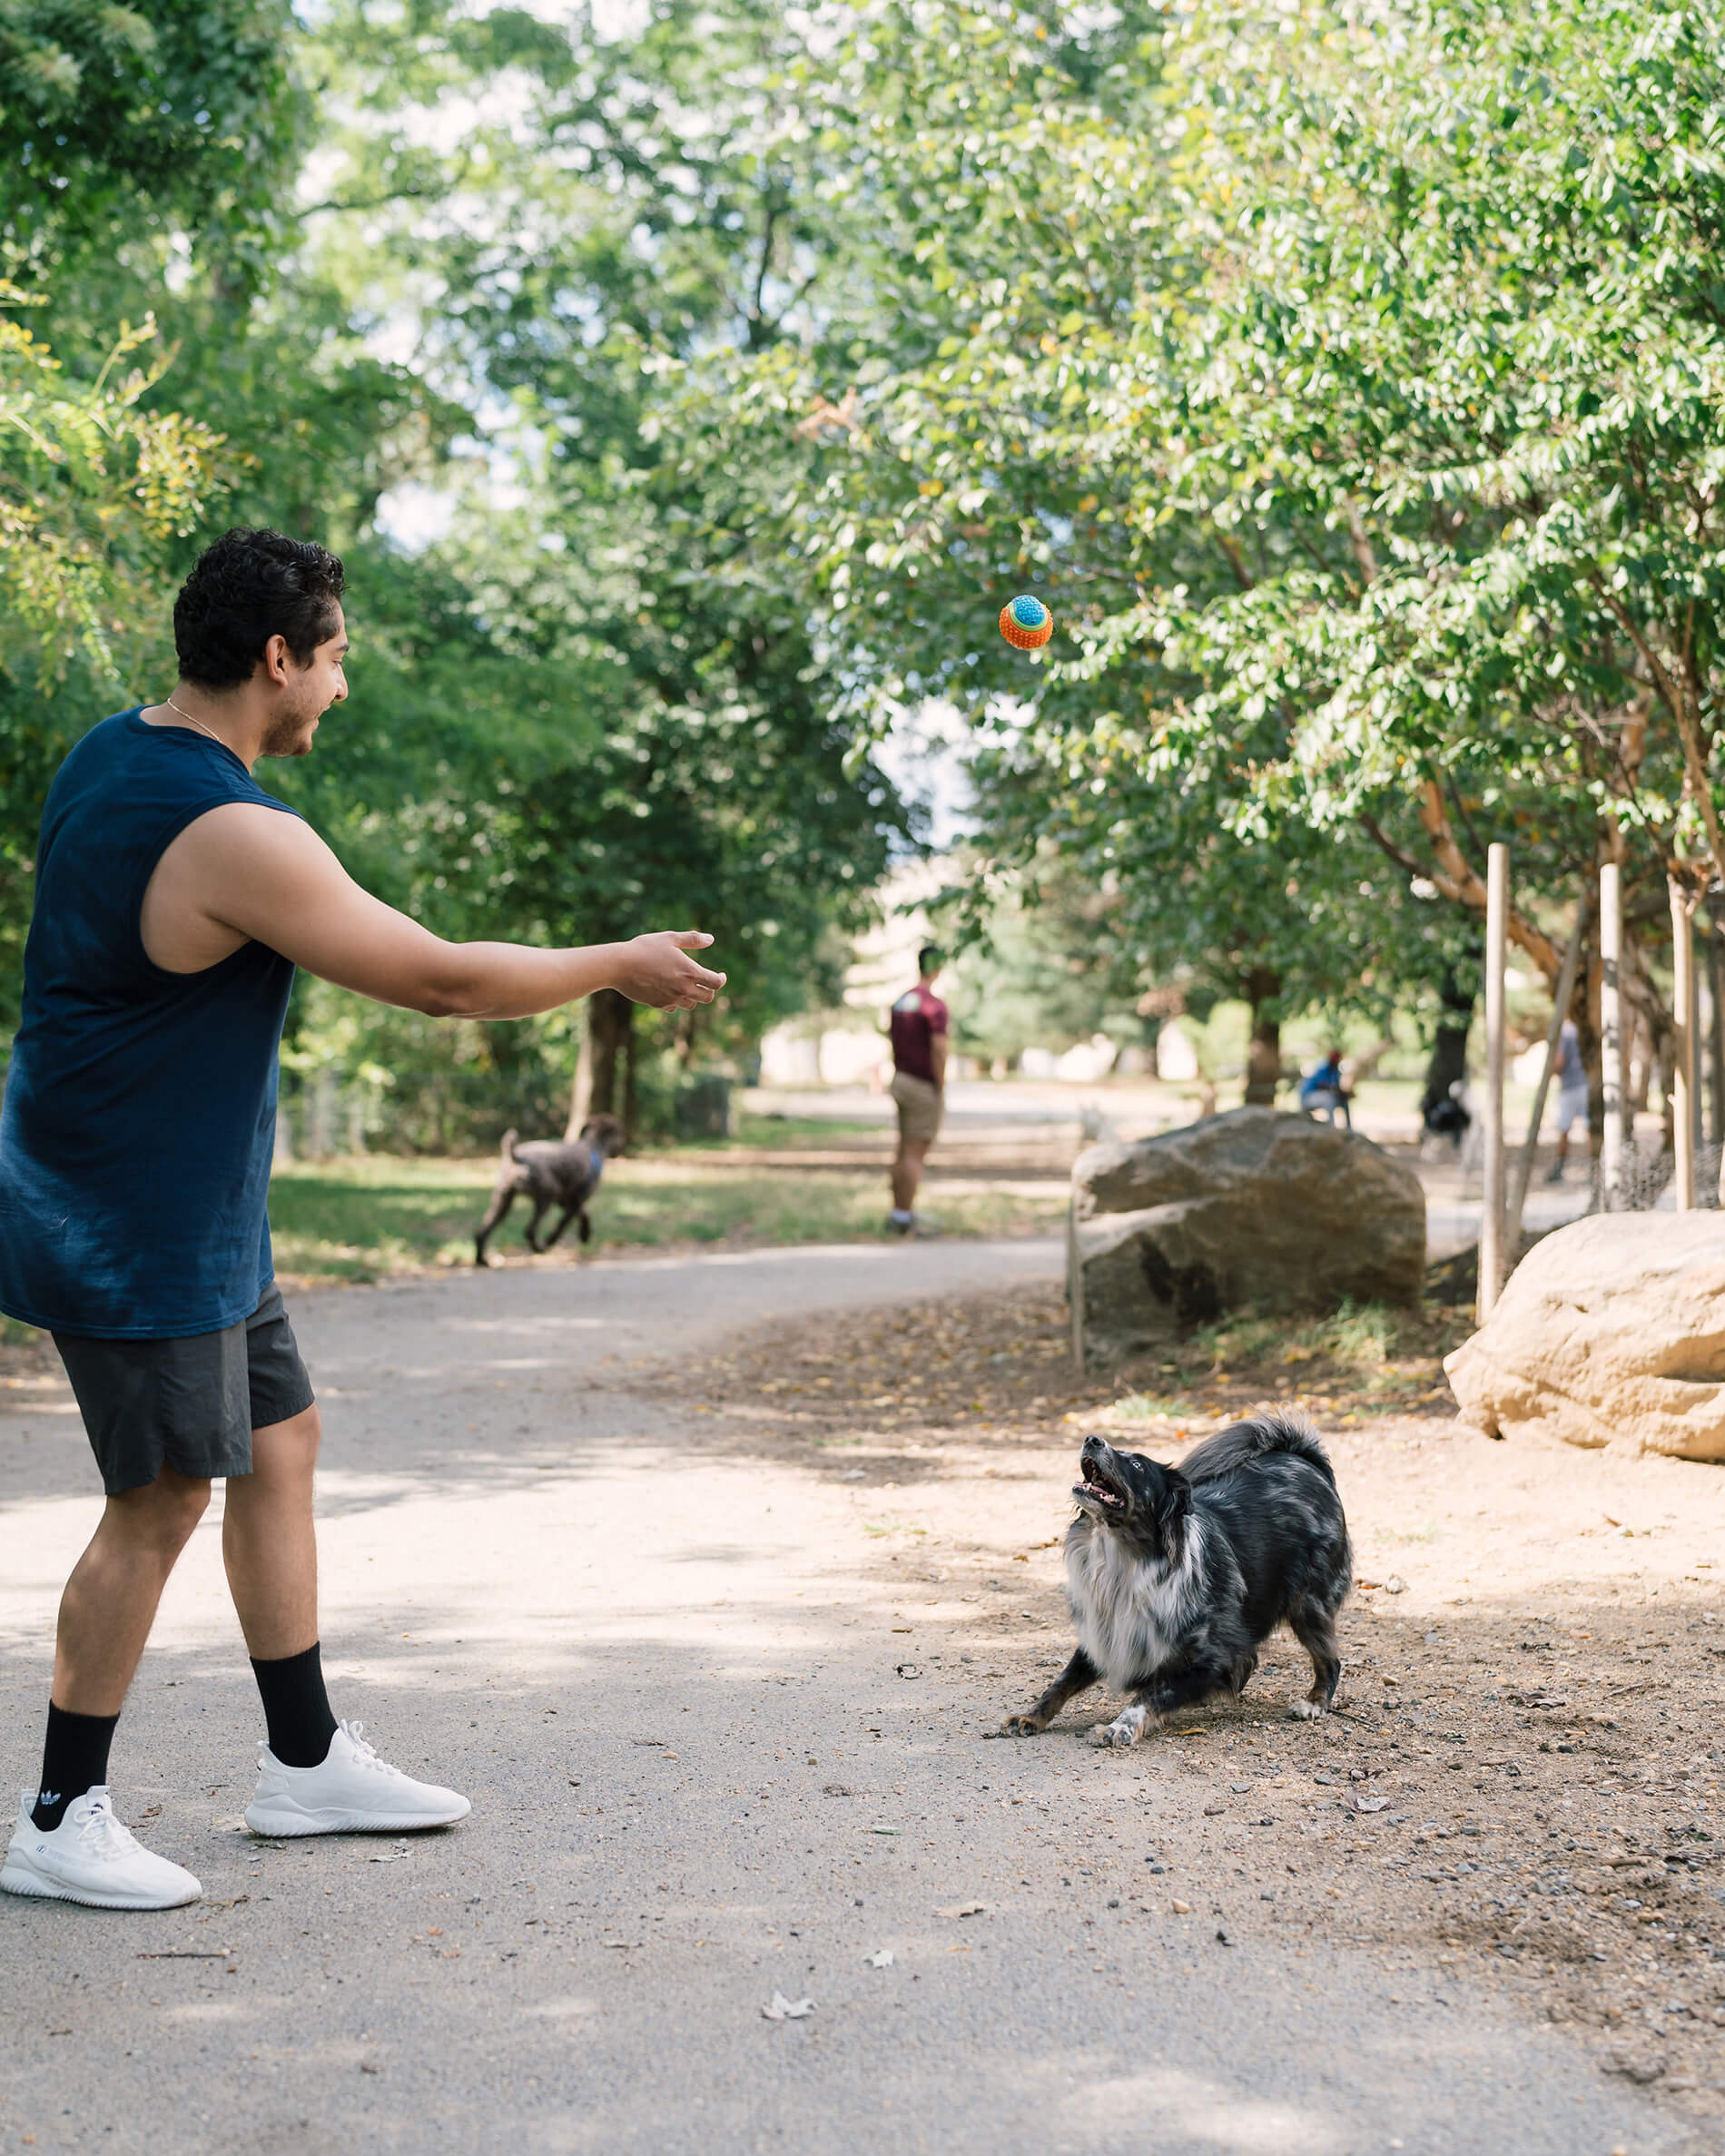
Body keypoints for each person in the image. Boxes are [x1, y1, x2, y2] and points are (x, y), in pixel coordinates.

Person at [0, 528, 724, 1913]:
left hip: (174, 1194)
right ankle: (56, 1812)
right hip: (129, 1210)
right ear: (278, 658)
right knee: (159, 1496)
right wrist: (614, 967)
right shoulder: (232, 833)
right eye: (335, 660)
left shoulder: (113, 752)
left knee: (282, 1441)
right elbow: (443, 981)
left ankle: (305, 1756)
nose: (342, 687)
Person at [885, 945, 949, 1235]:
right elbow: (939, 1048)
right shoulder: (934, 1005)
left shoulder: (902, 1001)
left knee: (902, 1149)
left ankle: (898, 1212)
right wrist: (940, 1084)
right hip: (922, 1084)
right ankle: (903, 1217)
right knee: (914, 1152)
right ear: (937, 968)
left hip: (900, 1079)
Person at [1546, 1017, 1589, 1183]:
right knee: (1589, 1128)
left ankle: (1559, 1169)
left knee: (1564, 1129)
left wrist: (1551, 1071)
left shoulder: (1564, 1031)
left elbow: (1560, 1061)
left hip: (1570, 1086)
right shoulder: (1584, 1027)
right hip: (1586, 1084)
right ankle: (1594, 1170)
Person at [1299, 1049, 1352, 1127]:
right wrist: (1337, 1090)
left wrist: (1344, 1093)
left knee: (1343, 1101)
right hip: (1309, 1097)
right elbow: (1321, 1085)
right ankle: (1332, 1126)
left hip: (1322, 1096)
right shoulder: (1322, 1067)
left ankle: (1348, 1127)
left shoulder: (1336, 1070)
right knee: (1329, 1099)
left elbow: (1335, 1087)